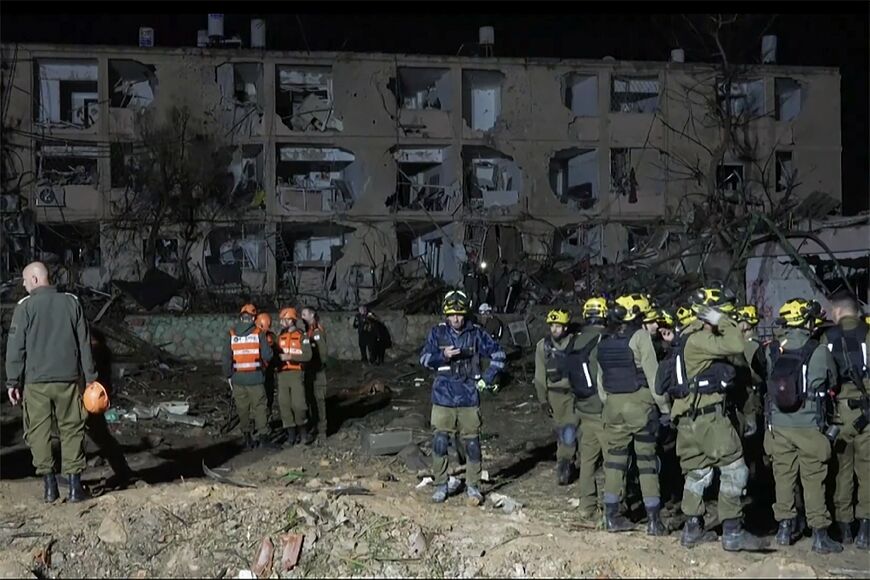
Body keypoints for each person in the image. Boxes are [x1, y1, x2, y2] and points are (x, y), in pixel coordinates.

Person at [670, 285, 767, 551]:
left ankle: (692, 528)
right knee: (735, 468)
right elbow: (736, 343)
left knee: (698, 471)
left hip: (689, 419)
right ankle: (733, 531)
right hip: (709, 419)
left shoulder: (686, 336)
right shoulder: (700, 339)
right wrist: (718, 319)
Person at [5, 261, 95, 503]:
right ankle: (75, 487)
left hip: (36, 384)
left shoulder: (25, 307)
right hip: (68, 380)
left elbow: (15, 348)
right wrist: (91, 380)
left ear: (35, 279)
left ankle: (49, 487)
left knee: (39, 433)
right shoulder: (71, 302)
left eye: (24, 280)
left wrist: (12, 382)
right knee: (72, 429)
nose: (23, 285)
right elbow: (84, 344)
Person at [764, 298, 842, 553]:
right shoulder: (819, 351)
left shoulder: (773, 349)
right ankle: (819, 534)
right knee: (813, 478)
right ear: (807, 321)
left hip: (778, 425)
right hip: (809, 425)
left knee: (783, 477)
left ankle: (784, 529)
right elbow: (832, 380)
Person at [592, 293, 670, 536]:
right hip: (640, 406)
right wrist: (666, 409)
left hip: (613, 407)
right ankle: (654, 521)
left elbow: (600, 380)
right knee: (646, 463)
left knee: (615, 462)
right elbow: (654, 377)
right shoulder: (640, 337)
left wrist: (610, 403)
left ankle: (611, 516)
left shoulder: (602, 339)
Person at [419, 290, 506, 505]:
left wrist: (487, 378)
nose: (456, 319)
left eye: (459, 314)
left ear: (465, 314)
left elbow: (499, 355)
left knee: (472, 444)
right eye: (451, 314)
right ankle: (440, 484)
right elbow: (423, 359)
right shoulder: (437, 333)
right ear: (446, 315)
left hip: (468, 396)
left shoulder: (476, 334)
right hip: (443, 397)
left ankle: (473, 486)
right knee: (440, 441)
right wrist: (443, 355)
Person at [823, 294, 870, 549]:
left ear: (840, 311)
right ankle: (865, 530)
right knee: (867, 472)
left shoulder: (826, 338)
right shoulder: (868, 334)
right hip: (866, 416)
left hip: (838, 416)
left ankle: (844, 529)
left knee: (842, 472)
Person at [534, 309, 580, 485]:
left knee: (572, 430)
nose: (554, 329)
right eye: (552, 326)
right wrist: (543, 400)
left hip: (574, 393)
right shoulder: (543, 346)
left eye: (558, 326)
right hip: (555, 395)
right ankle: (566, 461)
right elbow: (539, 376)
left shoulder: (576, 343)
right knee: (563, 430)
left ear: (566, 327)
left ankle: (566, 462)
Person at [573, 297, 608, 518]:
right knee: (613, 460)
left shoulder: (576, 341)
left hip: (582, 407)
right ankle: (614, 507)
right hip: (601, 409)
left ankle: (586, 506)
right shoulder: (602, 341)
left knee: (587, 460)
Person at [223, 304, 274, 450]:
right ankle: (264, 438)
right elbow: (268, 355)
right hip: (256, 379)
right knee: (260, 407)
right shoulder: (259, 333)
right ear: (253, 318)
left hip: (238, 379)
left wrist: (229, 375)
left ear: (241, 317)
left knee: (242, 409)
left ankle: (247, 439)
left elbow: (226, 358)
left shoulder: (231, 334)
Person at [276, 308, 313, 446]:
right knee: (284, 405)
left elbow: (308, 355)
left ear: (292, 320)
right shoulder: (280, 336)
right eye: (281, 320)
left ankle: (303, 434)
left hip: (297, 374)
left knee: (299, 405)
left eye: (284, 319)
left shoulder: (301, 336)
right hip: (282, 374)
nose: (282, 322)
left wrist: (291, 357)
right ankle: (291, 436)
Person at [301, 306, 329, 439]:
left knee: (319, 400)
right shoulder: (309, 331)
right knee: (310, 400)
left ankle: (322, 430)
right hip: (310, 371)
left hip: (317, 372)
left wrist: (318, 366)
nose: (302, 317)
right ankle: (315, 426)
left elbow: (322, 353)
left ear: (312, 315)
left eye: (305, 314)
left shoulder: (317, 331)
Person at [255, 312, 277, 420]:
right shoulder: (270, 336)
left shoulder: (267, 337)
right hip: (263, 371)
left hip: (263, 372)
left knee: (264, 397)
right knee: (265, 397)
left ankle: (263, 419)